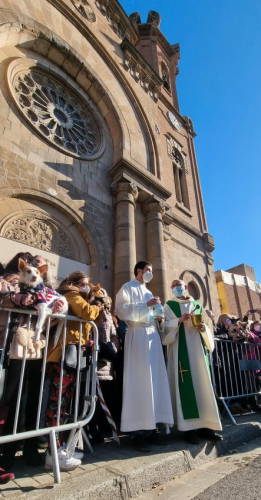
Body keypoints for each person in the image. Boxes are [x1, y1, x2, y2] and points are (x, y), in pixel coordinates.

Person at [44, 271, 103, 471]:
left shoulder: (80, 296)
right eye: (85, 284)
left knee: (64, 403)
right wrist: (96, 305)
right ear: (75, 283)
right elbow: (87, 313)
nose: (88, 287)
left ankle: (60, 448)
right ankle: (53, 451)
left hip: (73, 355)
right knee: (57, 402)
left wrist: (96, 306)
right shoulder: (71, 294)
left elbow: (91, 320)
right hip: (63, 354)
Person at [115, 261, 174, 452]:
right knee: (139, 382)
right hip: (137, 335)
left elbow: (154, 314)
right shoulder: (127, 287)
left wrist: (159, 319)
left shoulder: (149, 292)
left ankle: (152, 428)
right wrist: (144, 305)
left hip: (152, 337)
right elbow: (121, 309)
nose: (151, 274)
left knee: (154, 382)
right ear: (139, 271)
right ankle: (137, 433)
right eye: (148, 270)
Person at [161, 279, 222, 444]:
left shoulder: (198, 305)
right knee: (186, 386)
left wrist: (203, 327)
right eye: (173, 286)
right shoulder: (169, 306)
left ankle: (206, 427)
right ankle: (189, 430)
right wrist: (178, 321)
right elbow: (163, 327)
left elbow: (208, 326)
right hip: (181, 351)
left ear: (186, 287)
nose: (175, 288)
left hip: (198, 352)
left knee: (202, 385)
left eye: (178, 285)